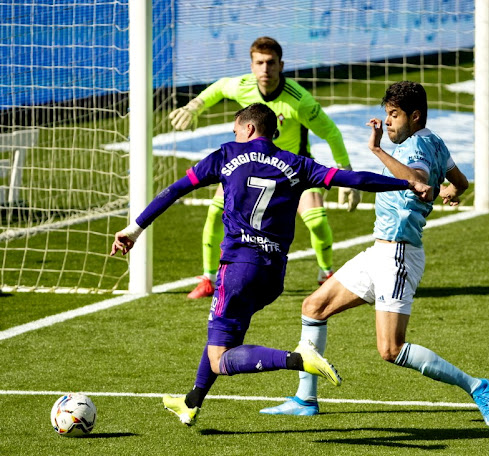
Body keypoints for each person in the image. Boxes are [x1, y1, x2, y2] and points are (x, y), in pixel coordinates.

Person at [110, 103, 434, 426]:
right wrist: (407, 183)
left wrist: (134, 229)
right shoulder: (296, 163)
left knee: (221, 358)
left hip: (237, 268)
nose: (234, 134)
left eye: (236, 128)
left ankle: (296, 358)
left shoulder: (226, 155)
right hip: (272, 275)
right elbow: (354, 178)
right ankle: (192, 401)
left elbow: (174, 190)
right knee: (224, 333)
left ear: (249, 129)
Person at [260, 81, 489, 427]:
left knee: (390, 349)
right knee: (313, 307)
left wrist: (377, 151)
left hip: (399, 255)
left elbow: (418, 179)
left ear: (414, 116)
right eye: (386, 114)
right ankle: (305, 397)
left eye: (394, 115)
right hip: (380, 251)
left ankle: (478, 386)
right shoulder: (434, 140)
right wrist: (452, 190)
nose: (387, 122)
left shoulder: (417, 146)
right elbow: (459, 181)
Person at [169, 36, 361, 298]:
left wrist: (345, 172)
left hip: (291, 170)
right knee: (215, 213)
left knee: (316, 221)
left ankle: (325, 273)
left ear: (281, 65)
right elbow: (219, 87)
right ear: (251, 66)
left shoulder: (300, 100)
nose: (265, 69)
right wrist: (194, 106)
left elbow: (331, 133)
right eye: (259, 63)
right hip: (247, 167)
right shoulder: (242, 87)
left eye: (271, 63)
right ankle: (208, 279)